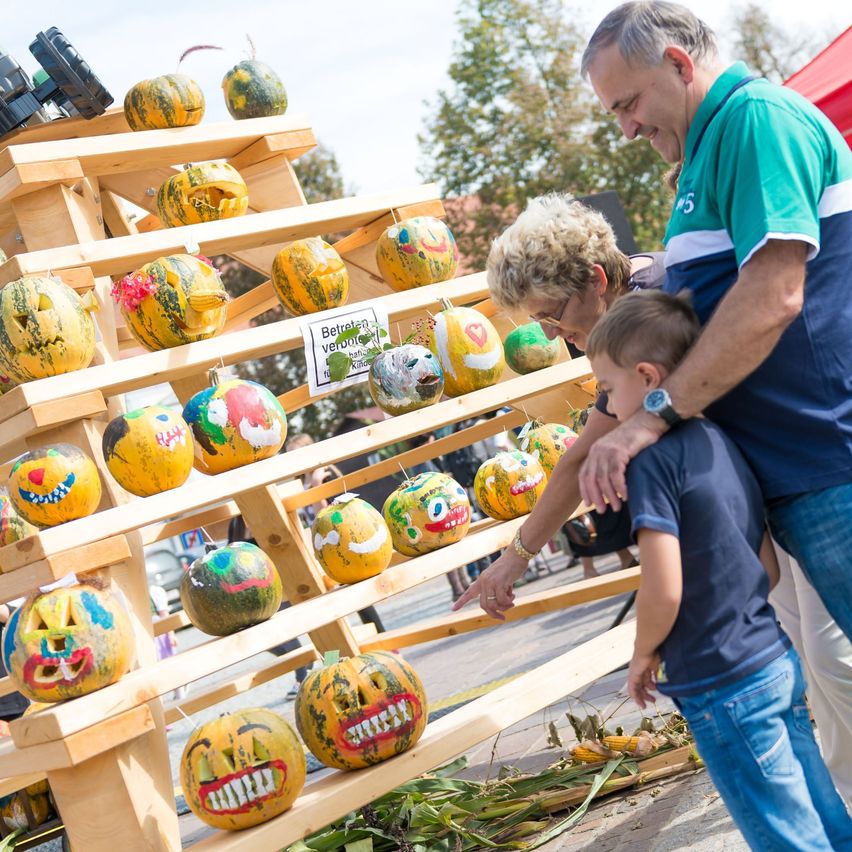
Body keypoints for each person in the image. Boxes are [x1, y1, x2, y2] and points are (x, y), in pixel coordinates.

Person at [454, 190, 852, 802]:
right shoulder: (622, 321)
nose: (549, 331)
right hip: (760, 505)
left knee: (831, 659)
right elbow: (584, 452)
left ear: (592, 279)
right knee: (812, 661)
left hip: (803, 475)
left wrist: (519, 555)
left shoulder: (660, 302)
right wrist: (517, 553)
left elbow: (586, 451)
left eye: (551, 313)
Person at [577, 2, 852, 643]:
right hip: (802, 464)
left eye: (627, 104)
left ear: (678, 64)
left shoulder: (755, 121)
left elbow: (772, 295)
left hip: (829, 456)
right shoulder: (711, 145)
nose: (626, 128)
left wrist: (652, 414)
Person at [587, 289, 852, 851]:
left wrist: (642, 651)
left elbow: (664, 584)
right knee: (822, 810)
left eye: (607, 389)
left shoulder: (650, 463)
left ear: (646, 375)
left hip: (718, 680)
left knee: (784, 833)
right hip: (772, 657)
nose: (607, 405)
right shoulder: (723, 440)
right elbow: (768, 568)